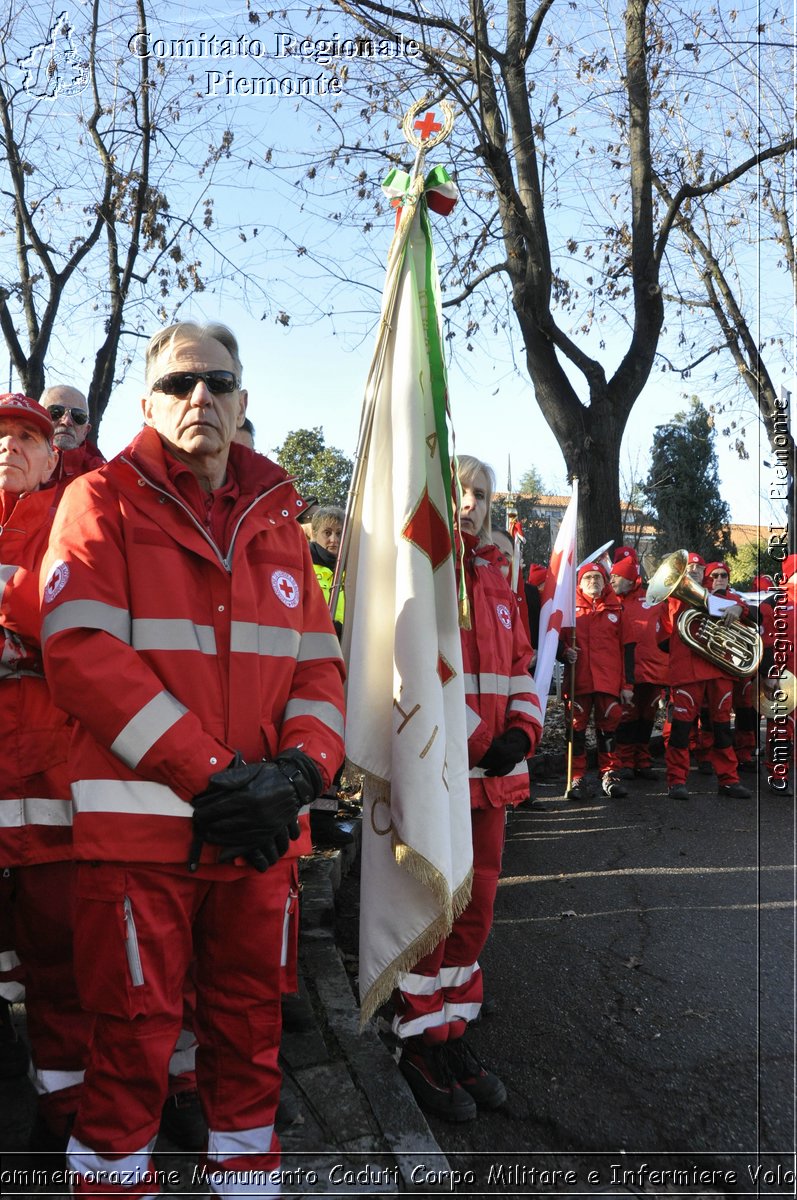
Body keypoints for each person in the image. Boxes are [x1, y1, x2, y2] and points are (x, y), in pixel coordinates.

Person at [40, 321, 346, 1193]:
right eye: (179, 385)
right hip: (142, 847)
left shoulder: (280, 528)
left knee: (252, 1036)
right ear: (147, 404)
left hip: (257, 841)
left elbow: (318, 668)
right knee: (131, 1051)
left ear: (244, 401)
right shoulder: (97, 501)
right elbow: (82, 653)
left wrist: (299, 773)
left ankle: (248, 1183)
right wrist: (217, 778)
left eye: (217, 381)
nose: (199, 398)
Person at [394, 456, 542, 1123]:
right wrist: (487, 741)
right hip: (445, 769)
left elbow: (520, 665)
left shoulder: (497, 575)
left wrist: (524, 732)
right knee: (432, 911)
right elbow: (419, 674)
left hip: (493, 778)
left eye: (479, 494)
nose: (469, 503)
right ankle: (418, 1042)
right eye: (458, 492)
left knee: (476, 908)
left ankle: (452, 1032)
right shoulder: (421, 574)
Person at [0, 394, 93, 1148]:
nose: (10, 448)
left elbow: (77, 619)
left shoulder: (73, 518)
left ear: (53, 453)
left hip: (45, 782)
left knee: (57, 956)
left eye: (26, 437)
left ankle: (62, 1106)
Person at [657, 552, 751, 800]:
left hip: (719, 670)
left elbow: (744, 608)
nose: (695, 570)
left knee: (722, 728)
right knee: (681, 728)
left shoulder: (722, 596)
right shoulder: (674, 597)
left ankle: (728, 780)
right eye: (690, 568)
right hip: (687, 670)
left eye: (699, 567)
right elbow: (663, 639)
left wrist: (737, 606)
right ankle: (676, 781)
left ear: (705, 572)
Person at [561, 562, 633, 800]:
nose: (593, 581)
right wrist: (564, 652)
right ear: (579, 583)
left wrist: (627, 686)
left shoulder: (618, 609)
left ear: (605, 582)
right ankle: (577, 777)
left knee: (608, 730)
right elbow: (556, 642)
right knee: (576, 731)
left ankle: (610, 773)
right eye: (588, 577)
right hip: (578, 680)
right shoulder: (569, 610)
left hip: (608, 682)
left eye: (598, 578)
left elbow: (627, 650)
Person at [612, 554, 667, 779]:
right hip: (627, 672)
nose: (612, 580)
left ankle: (642, 760)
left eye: (617, 576)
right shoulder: (612, 602)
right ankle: (625, 761)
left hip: (654, 672)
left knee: (647, 717)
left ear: (629, 578)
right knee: (627, 717)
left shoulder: (652, 598)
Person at [702, 561, 758, 772]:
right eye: (714, 575)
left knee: (743, 711)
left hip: (734, 664)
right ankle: (706, 755)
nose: (718, 579)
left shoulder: (737, 599)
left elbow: (754, 616)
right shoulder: (701, 599)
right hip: (710, 664)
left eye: (723, 575)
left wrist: (740, 608)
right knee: (708, 712)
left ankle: (744, 754)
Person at [39, 385, 105, 494]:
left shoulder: (102, 478)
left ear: (86, 431)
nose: (66, 421)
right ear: (37, 418)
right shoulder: (13, 464)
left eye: (78, 416)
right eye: (55, 412)